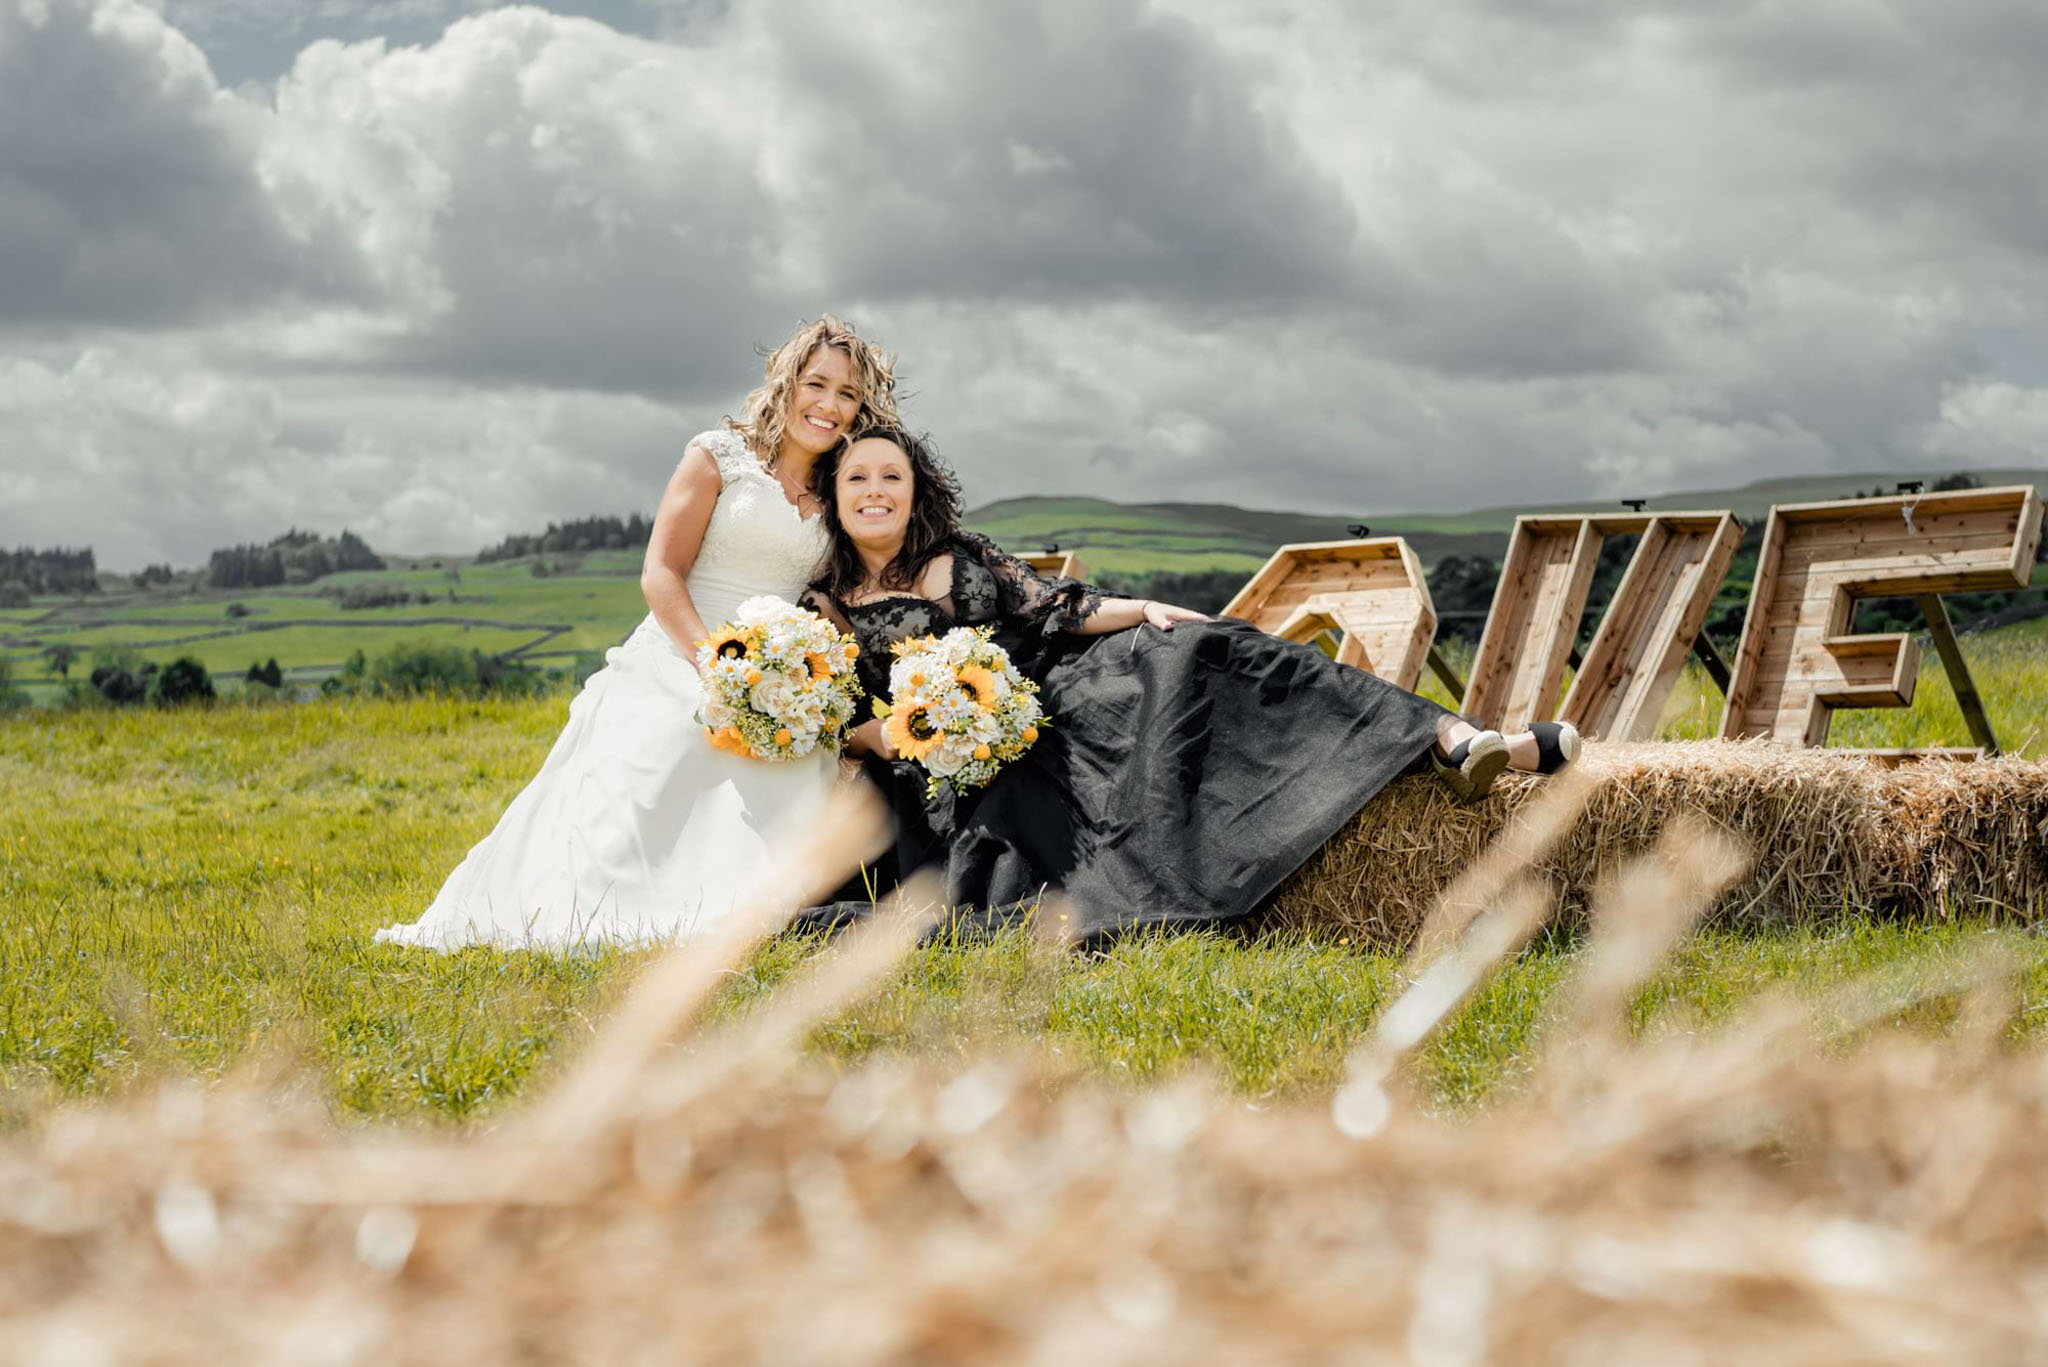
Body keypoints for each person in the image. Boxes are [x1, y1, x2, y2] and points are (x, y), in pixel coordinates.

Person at [800, 428, 1579, 941]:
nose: (877, 489)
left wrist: (1144, 608)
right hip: (972, 766)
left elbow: (1060, 609)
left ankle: (1461, 738)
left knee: (1214, 647)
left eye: (892, 475)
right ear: (835, 495)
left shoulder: (958, 550)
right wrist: (918, 731)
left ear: (914, 486)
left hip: (1063, 692)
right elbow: (844, 724)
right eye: (859, 476)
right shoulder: (827, 598)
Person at [376, 318, 899, 950]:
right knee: (678, 736)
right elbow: (660, 573)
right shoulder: (717, 456)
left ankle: (747, 913)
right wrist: (714, 665)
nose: (828, 404)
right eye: (816, 383)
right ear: (785, 381)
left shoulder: (845, 484)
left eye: (847, 394)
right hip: (687, 648)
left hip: (780, 678)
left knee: (780, 768)